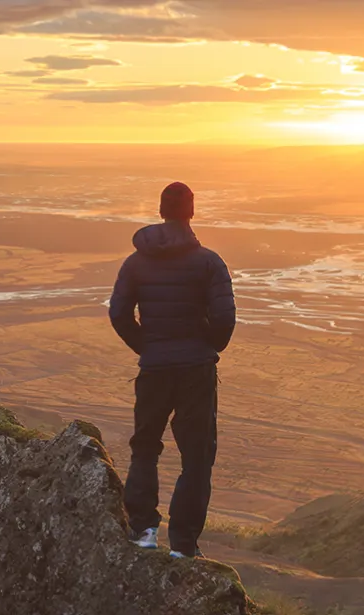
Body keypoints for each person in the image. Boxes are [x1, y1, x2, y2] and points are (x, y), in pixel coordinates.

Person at [109, 181, 236, 559]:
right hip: (196, 370)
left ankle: (144, 530)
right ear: (191, 211)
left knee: (145, 448)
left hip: (155, 369)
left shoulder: (135, 263)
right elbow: (226, 318)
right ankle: (183, 545)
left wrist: (148, 347)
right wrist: (208, 346)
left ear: (161, 210)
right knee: (196, 457)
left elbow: (118, 313)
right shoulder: (209, 262)